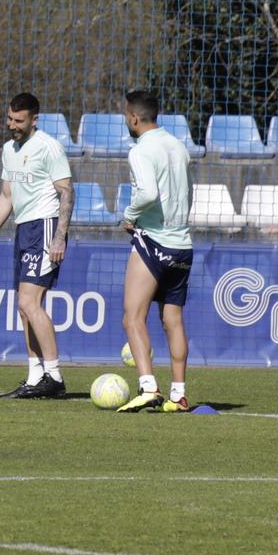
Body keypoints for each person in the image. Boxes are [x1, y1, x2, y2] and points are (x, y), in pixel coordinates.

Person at [0, 92, 74, 398]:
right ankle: (34, 377)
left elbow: (67, 192)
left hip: (44, 227)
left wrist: (59, 236)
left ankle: (54, 376)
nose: (12, 125)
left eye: (19, 120)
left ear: (34, 119)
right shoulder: (9, 150)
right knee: (23, 307)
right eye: (9, 119)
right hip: (23, 229)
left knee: (30, 303)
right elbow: (7, 196)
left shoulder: (48, 147)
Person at [116, 89, 194, 412]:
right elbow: (190, 191)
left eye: (125, 115)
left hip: (154, 241)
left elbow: (147, 193)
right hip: (182, 244)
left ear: (133, 117)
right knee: (172, 319)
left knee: (132, 318)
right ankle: (179, 394)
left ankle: (148, 387)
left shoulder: (140, 150)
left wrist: (130, 216)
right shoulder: (178, 146)